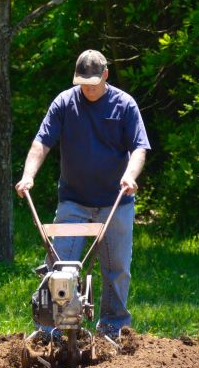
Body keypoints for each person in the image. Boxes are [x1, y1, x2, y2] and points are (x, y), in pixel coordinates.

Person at [15, 49, 150, 337]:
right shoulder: (64, 103)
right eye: (82, 82)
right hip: (73, 201)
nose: (87, 88)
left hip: (115, 202)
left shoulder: (124, 105)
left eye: (93, 82)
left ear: (105, 76)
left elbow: (139, 147)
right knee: (59, 267)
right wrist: (28, 176)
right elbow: (41, 143)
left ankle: (113, 328)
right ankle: (51, 329)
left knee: (116, 270)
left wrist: (130, 175)